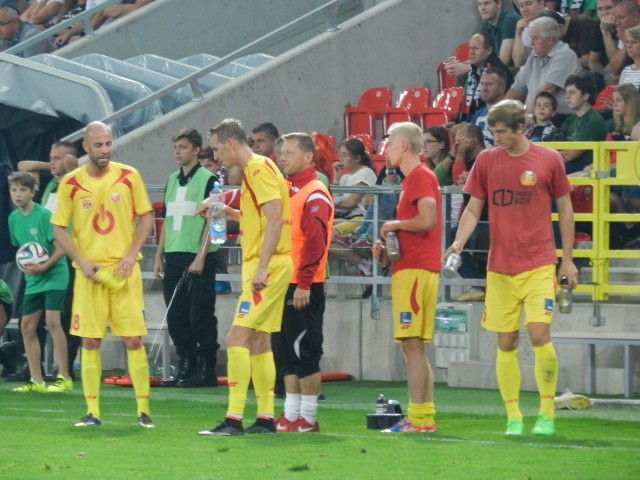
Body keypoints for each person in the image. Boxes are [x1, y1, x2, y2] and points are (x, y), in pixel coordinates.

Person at [444, 99, 579, 437]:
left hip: (538, 263)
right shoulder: (487, 161)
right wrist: (458, 242)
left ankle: (547, 414)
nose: (496, 139)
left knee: (538, 334)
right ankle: (514, 417)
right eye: (492, 132)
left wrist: (567, 258)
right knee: (505, 343)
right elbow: (473, 209)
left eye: (501, 132)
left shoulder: (548, 160)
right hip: (500, 267)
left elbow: (565, 207)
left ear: (521, 128)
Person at [52, 121, 154, 428]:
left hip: (124, 273)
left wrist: (129, 254)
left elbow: (147, 219)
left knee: (133, 340)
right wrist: (81, 262)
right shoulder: (70, 182)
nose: (105, 150)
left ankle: (144, 412)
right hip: (89, 274)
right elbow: (58, 228)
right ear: (86, 147)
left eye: (108, 144)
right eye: (99, 145)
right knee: (91, 342)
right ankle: (92, 413)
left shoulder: (129, 175)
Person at [198, 118, 292, 436]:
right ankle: (265, 419)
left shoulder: (258, 169)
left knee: (236, 338)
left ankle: (233, 419)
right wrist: (228, 213)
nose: (216, 154)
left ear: (232, 144)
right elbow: (260, 218)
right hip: (265, 264)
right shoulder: (258, 169)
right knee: (259, 341)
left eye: (216, 148)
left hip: (268, 265)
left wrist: (263, 267)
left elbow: (277, 219)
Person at [370, 122, 441, 433]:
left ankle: (416, 418)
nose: (386, 149)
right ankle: (424, 417)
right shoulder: (416, 178)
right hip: (414, 266)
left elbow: (427, 220)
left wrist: (391, 225)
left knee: (411, 345)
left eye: (391, 142)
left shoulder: (419, 177)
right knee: (415, 347)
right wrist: (387, 247)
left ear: (404, 146)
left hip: (415, 272)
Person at [272, 133, 333, 433]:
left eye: (290, 153)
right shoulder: (288, 189)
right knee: (285, 351)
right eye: (282, 152)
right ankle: (291, 413)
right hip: (285, 281)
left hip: (303, 284)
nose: (283, 157)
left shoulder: (315, 192)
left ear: (308, 157)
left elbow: (315, 242)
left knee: (304, 351)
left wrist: (305, 283)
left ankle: (308, 418)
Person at [152, 128, 219, 388]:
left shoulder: (209, 180)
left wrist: (201, 257)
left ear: (195, 150)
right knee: (176, 315)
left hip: (198, 256)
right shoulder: (171, 180)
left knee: (200, 314)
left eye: (182, 147)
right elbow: (167, 221)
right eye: (175, 147)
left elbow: (214, 221)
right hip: (174, 255)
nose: (177, 152)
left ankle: (206, 369)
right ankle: (186, 365)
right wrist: (159, 255)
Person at [18, 141, 81, 381]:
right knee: (36, 317)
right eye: (49, 157)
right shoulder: (51, 184)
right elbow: (23, 166)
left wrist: (66, 164)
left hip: (64, 260)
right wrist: (53, 164)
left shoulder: (74, 185)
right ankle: (35, 367)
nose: (51, 161)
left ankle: (64, 369)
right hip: (41, 261)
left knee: (63, 317)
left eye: (57, 158)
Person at [8, 171, 72, 393]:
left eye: (23, 190)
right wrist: (29, 267)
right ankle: (37, 380)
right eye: (14, 190)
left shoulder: (45, 215)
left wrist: (44, 266)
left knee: (53, 322)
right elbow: (24, 250)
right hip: (34, 278)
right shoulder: (13, 219)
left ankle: (64, 376)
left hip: (54, 275)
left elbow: (63, 247)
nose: (18, 194)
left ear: (33, 193)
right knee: (26, 326)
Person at [506, 16, 580, 117]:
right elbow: (516, 88)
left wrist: (528, 118)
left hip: (557, 118)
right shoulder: (534, 55)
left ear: (549, 40)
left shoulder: (565, 54)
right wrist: (501, 112)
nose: (531, 43)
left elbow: (548, 89)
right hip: (533, 117)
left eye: (535, 38)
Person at [443, 32, 513, 119]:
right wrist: (455, 122)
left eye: (475, 48)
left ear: (489, 50)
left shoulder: (497, 71)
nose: (471, 52)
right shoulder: (472, 71)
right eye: (470, 48)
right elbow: (464, 104)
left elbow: (488, 103)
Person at [198, 145, 232, 295]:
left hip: (233, 217)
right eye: (201, 166)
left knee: (216, 229)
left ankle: (222, 280)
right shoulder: (200, 181)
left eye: (208, 165)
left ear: (218, 165)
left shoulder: (225, 178)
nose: (205, 169)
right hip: (213, 218)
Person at [559, 73, 608, 174]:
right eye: (566, 93)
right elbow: (555, 143)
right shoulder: (571, 120)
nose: (567, 97)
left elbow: (570, 156)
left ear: (585, 95)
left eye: (572, 93)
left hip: (583, 169)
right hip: (568, 165)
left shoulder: (593, 120)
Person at [331, 138, 377, 237]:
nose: (341, 159)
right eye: (340, 155)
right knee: (323, 226)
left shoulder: (365, 172)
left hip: (361, 218)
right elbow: (334, 202)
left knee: (332, 232)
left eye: (345, 155)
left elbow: (351, 203)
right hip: (345, 217)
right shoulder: (344, 178)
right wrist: (337, 179)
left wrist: (335, 204)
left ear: (357, 158)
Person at [470, 67, 509, 146]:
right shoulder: (478, 115)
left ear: (502, 88)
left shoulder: (510, 114)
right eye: (482, 84)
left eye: (489, 84)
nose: (484, 88)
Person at [477, 0, 521, 65]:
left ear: (499, 4)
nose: (482, 8)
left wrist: (469, 68)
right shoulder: (485, 24)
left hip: (515, 70)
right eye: (479, 4)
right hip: (497, 69)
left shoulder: (510, 20)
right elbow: (480, 56)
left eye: (487, 3)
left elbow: (504, 60)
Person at [512, 0, 547, 68]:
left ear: (541, 4)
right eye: (521, 6)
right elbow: (518, 63)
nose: (524, 9)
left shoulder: (554, 20)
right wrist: (518, 34)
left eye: (529, 4)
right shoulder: (527, 24)